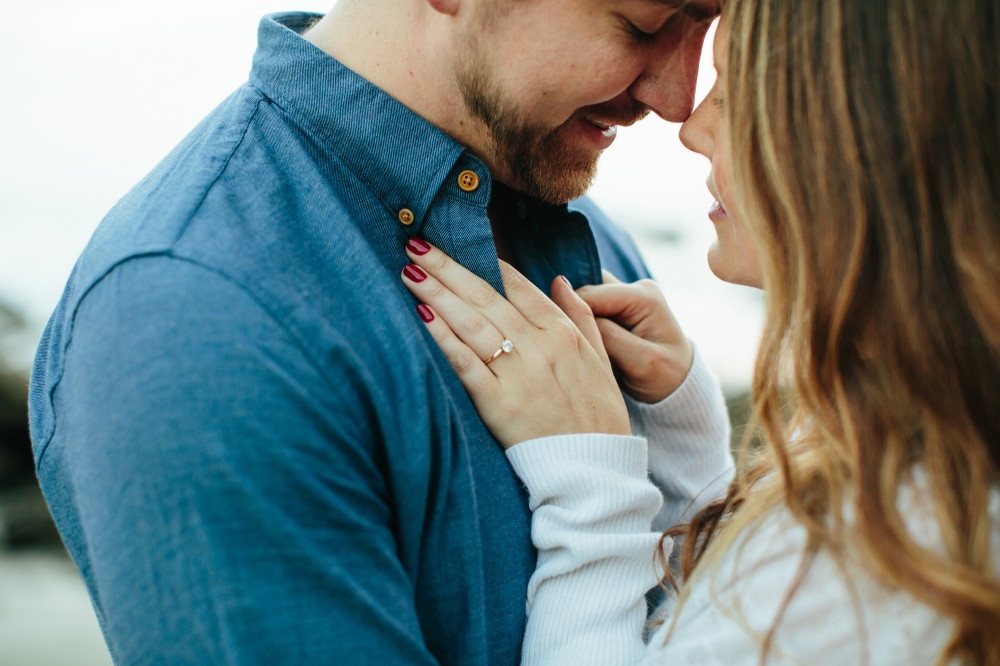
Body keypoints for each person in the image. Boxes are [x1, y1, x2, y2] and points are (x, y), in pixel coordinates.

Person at [28, 0, 723, 663]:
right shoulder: (192, 318)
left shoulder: (593, 244)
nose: (678, 100)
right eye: (643, 25)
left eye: (707, 25)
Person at [400, 0, 1000, 663]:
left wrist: (591, 487)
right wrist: (687, 436)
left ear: (863, 140)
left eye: (736, 88)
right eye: (642, 28)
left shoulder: (886, 557)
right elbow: (731, 618)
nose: (690, 123)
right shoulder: (932, 482)